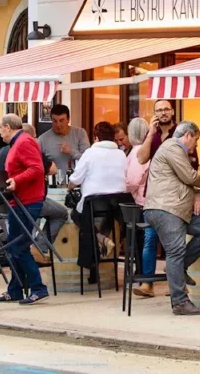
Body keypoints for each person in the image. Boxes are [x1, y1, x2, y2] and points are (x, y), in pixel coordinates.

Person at [143, 121, 200, 316]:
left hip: (177, 209)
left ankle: (181, 267)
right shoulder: (172, 147)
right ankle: (179, 302)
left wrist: (195, 193)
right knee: (175, 251)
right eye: (196, 139)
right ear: (187, 135)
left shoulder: (174, 149)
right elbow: (189, 176)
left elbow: (182, 179)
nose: (195, 144)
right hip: (167, 209)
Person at [68, 121, 129, 283]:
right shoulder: (121, 154)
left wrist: (69, 185)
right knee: (107, 216)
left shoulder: (90, 153)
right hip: (117, 204)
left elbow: (75, 179)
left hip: (94, 203)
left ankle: (100, 241)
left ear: (96, 137)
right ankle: (102, 239)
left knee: (76, 215)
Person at [0, 119, 49, 306]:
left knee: (18, 246)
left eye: (0, 129)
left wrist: (16, 181)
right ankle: (16, 289)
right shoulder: (18, 142)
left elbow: (37, 168)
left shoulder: (24, 141)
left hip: (27, 201)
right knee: (14, 246)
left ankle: (38, 287)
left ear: (8, 127)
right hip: (19, 200)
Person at [125, 117, 158, 297]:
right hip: (152, 200)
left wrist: (128, 191)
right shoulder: (147, 149)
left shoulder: (138, 151)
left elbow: (132, 180)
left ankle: (147, 281)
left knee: (148, 241)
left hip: (143, 202)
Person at [38, 105, 90, 175]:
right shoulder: (42, 139)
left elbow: (88, 159)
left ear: (68, 120)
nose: (58, 125)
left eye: (61, 120)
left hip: (77, 180)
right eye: (55, 121)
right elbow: (37, 164)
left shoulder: (80, 133)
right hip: (53, 182)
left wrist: (71, 151)